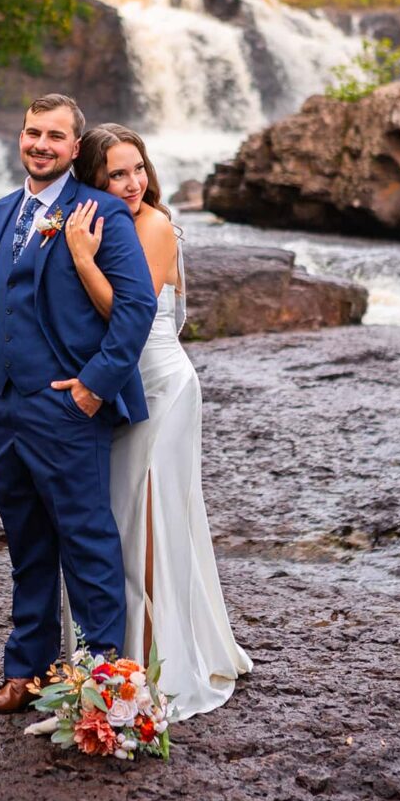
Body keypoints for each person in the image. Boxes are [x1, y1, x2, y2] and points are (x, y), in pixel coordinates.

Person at [0, 96, 158, 713]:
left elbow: (136, 309)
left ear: (76, 148)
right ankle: (26, 672)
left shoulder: (101, 210)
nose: (41, 144)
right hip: (4, 407)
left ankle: (103, 689)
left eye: (56, 135)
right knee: (26, 545)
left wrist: (93, 385)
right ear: (19, 137)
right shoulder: (2, 212)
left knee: (86, 541)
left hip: (68, 407)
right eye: (32, 132)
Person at [66, 124, 252, 719]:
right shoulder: (107, 221)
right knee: (123, 521)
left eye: (138, 168)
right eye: (116, 173)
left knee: (148, 521)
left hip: (164, 389)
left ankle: (152, 668)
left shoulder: (153, 225)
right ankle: (121, 655)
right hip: (128, 391)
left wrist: (78, 255)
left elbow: (129, 313)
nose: (132, 183)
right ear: (93, 179)